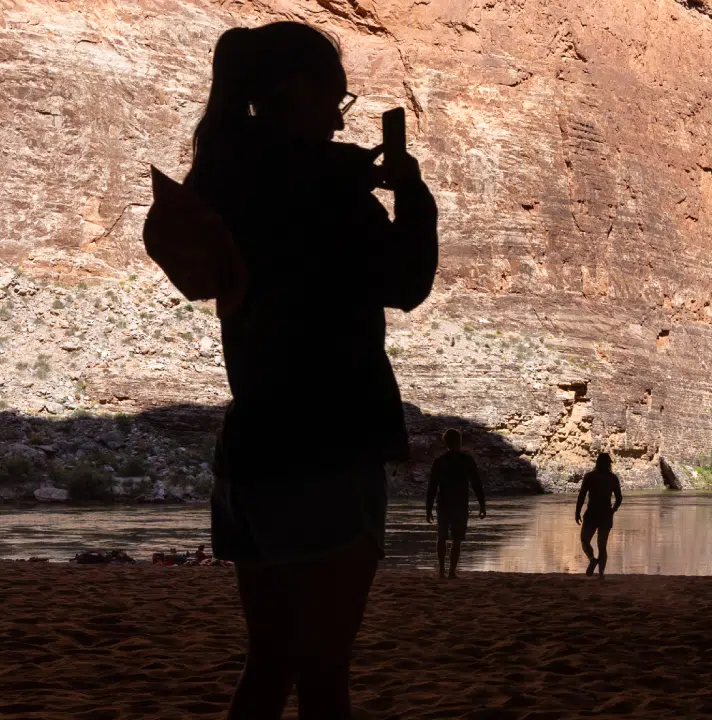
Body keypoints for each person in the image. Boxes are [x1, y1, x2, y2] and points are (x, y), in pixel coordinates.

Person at [167, 21, 438, 720]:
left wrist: (350, 174)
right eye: (336, 101)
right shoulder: (324, 191)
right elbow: (406, 281)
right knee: (324, 677)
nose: (336, 118)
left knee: (268, 665)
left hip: (249, 457)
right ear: (298, 90)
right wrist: (411, 195)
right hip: (326, 451)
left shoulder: (223, 177)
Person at [426, 429, 487, 580]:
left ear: (445, 442)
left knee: (441, 537)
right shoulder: (466, 460)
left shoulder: (439, 462)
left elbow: (432, 487)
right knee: (457, 539)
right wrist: (482, 504)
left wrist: (428, 508)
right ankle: (452, 572)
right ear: (459, 441)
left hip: (443, 503)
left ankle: (441, 571)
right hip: (460, 503)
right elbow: (476, 484)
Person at [576, 453, 623, 576]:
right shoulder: (613, 478)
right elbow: (619, 498)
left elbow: (582, 496)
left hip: (591, 512)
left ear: (597, 462)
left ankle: (592, 559)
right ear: (609, 464)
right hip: (606, 514)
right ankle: (601, 574)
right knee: (602, 545)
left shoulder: (590, 477)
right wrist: (614, 509)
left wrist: (577, 512)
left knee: (584, 540)